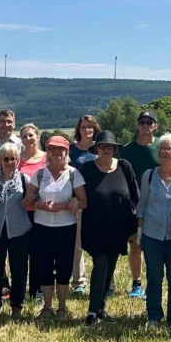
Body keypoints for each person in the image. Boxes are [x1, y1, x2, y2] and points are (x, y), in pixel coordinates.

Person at [80, 131, 139, 326]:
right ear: (96, 148)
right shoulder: (87, 169)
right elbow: (78, 194)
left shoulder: (124, 166)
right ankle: (91, 312)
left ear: (115, 149)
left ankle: (101, 308)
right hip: (95, 227)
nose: (105, 149)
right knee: (101, 264)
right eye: (102, 146)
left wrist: (138, 221)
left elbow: (135, 195)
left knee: (111, 264)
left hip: (119, 226)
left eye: (109, 146)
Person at [24, 136, 86, 319]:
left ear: (67, 152)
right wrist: (40, 205)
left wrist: (65, 206)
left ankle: (62, 308)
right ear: (48, 152)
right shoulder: (40, 174)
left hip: (66, 227)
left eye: (61, 149)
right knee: (44, 266)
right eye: (52, 149)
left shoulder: (74, 174)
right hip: (42, 227)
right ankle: (47, 307)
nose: (57, 152)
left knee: (64, 267)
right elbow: (28, 199)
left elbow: (84, 202)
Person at [136, 133, 171, 333]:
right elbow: (142, 205)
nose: (163, 152)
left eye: (168, 148)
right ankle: (154, 315)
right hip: (151, 234)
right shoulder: (149, 175)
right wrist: (139, 233)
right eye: (161, 148)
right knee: (154, 276)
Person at [0, 143, 32, 318]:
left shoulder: (24, 179)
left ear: (18, 160)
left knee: (18, 269)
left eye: (13, 158)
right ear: (0, 160)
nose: (10, 162)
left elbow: (33, 198)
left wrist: (32, 198)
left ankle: (17, 304)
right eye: (6, 159)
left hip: (19, 230)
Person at [119, 111, 161, 299]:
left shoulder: (162, 146)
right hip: (134, 205)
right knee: (136, 245)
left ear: (155, 126)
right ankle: (137, 283)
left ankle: (154, 283)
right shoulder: (127, 150)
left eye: (149, 122)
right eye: (142, 122)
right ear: (137, 125)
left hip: (159, 204)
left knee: (155, 247)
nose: (145, 125)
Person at [69, 115, 101, 296]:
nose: (87, 130)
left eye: (90, 127)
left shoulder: (101, 148)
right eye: (83, 127)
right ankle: (79, 282)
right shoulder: (71, 151)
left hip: (98, 203)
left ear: (95, 129)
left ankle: (106, 282)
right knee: (77, 245)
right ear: (78, 129)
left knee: (101, 244)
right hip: (78, 202)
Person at [17, 123, 46, 301]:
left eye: (31, 135)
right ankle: (20, 292)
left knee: (38, 253)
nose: (28, 139)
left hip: (41, 213)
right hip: (20, 213)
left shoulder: (47, 158)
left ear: (38, 137)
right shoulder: (15, 159)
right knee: (21, 254)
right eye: (24, 136)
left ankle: (37, 291)